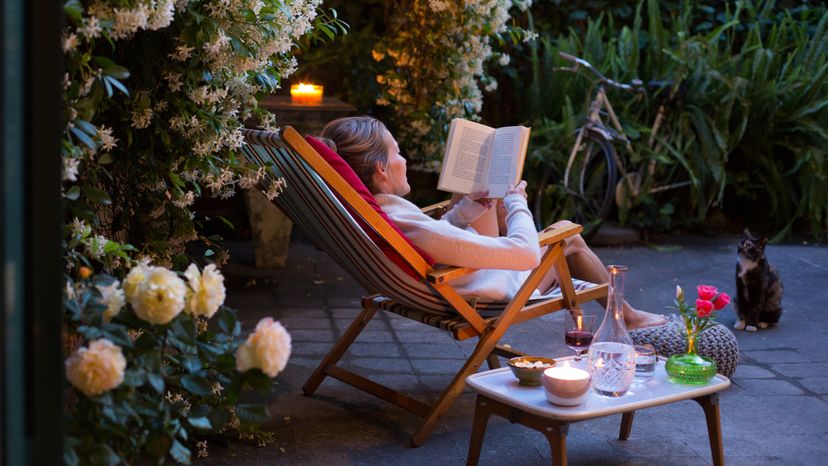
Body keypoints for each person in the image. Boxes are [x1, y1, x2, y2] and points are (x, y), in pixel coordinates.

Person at [320, 116, 666, 329]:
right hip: (486, 293)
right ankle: (628, 318)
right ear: (380, 169)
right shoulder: (407, 224)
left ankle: (626, 314)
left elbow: (439, 241)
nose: (404, 159)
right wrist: (518, 202)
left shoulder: (380, 214)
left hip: (454, 276)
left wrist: (468, 209)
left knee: (485, 190)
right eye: (397, 152)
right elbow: (525, 254)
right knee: (568, 237)